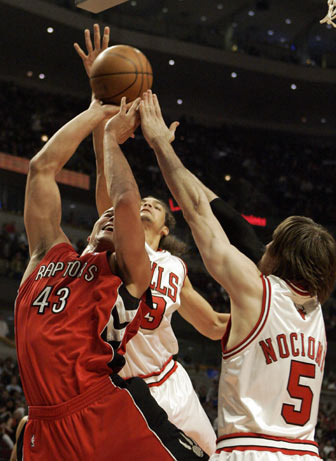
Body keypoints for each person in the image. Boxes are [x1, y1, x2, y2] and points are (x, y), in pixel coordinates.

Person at [138, 89, 336, 461]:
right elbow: (236, 226)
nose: (264, 246)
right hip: (306, 453)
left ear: (280, 255)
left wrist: (158, 146)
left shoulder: (257, 292)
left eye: (272, 243)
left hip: (250, 451)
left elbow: (199, 213)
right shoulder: (317, 309)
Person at [15, 96, 208, 460]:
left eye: (123, 221)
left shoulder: (128, 272)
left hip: (102, 407)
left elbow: (123, 203)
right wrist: (95, 111)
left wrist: (109, 137)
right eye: (102, 217)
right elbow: (41, 168)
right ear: (89, 231)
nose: (114, 217)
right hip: (44, 419)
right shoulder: (46, 254)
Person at [74, 24, 228, 455]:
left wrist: (275, 316)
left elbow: (214, 324)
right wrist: (101, 107)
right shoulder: (118, 244)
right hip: (122, 387)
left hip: (172, 383)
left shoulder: (175, 269)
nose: (146, 206)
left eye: (156, 207)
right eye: (143, 202)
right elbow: (109, 186)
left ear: (165, 229)